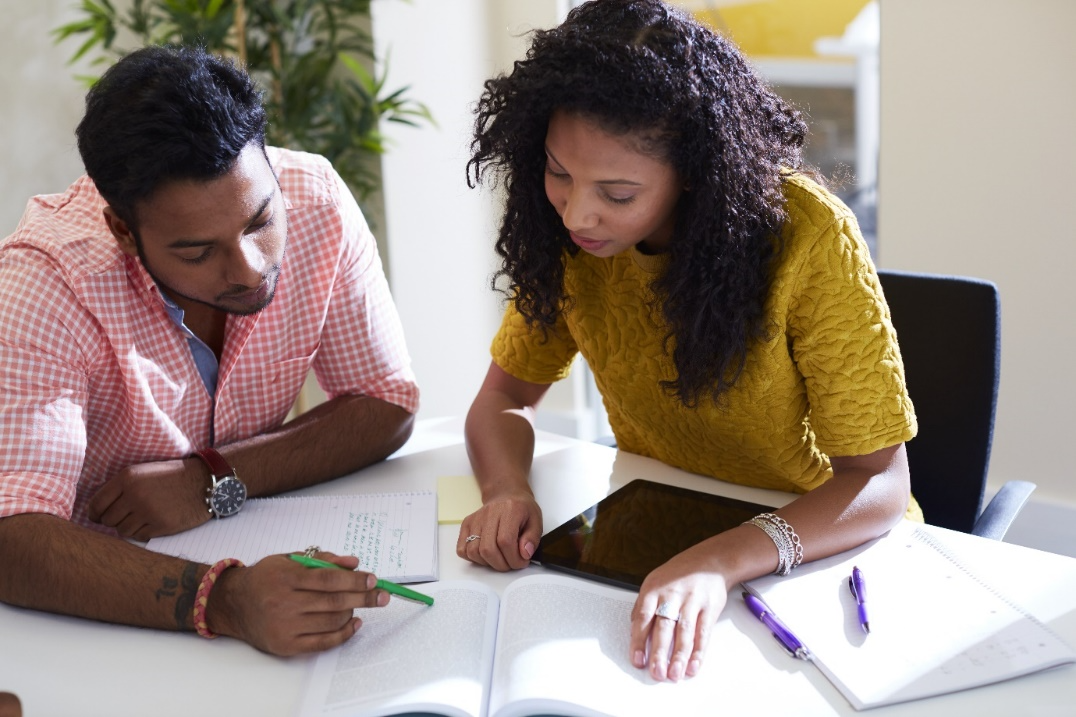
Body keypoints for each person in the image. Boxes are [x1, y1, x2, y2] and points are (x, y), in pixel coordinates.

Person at [457, 0, 917, 683]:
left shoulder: (810, 237)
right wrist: (504, 489)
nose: (578, 212)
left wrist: (720, 558)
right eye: (558, 173)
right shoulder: (572, 240)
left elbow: (878, 482)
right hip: (660, 526)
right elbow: (504, 397)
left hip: (817, 556)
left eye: (616, 192)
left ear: (697, 174)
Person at [0, 46, 420, 656]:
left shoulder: (318, 201)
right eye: (197, 252)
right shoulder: (42, 284)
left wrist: (213, 478)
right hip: (91, 620)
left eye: (259, 221)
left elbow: (386, 403)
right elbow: (12, 539)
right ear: (122, 229)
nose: (250, 270)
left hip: (249, 558)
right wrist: (224, 600)